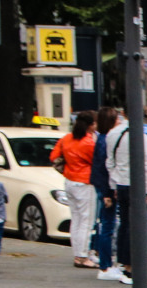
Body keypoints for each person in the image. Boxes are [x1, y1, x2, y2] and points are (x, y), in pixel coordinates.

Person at [107, 109, 147, 276]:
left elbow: (110, 162)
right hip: (137, 184)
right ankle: (133, 266)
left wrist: (113, 185)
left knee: (125, 224)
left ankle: (123, 261)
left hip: (120, 183)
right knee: (137, 226)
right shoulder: (139, 135)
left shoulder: (113, 133)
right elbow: (146, 163)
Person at [50, 110, 99, 268]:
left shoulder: (66, 138)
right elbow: (97, 162)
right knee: (86, 221)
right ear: (91, 125)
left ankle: (78, 253)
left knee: (76, 219)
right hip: (85, 182)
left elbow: (53, 157)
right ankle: (83, 256)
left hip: (69, 180)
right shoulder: (88, 143)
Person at [90, 107, 128, 283]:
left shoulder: (102, 139)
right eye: (117, 119)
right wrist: (107, 192)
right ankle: (105, 265)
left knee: (107, 225)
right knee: (107, 226)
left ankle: (106, 263)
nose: (119, 122)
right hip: (107, 188)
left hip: (104, 187)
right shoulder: (106, 141)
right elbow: (103, 169)